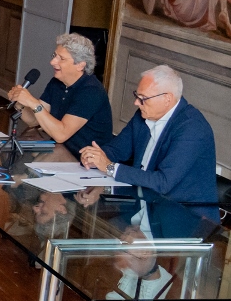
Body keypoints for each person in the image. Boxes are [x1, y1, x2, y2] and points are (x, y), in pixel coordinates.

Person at [79, 65, 219, 205]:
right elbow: (117, 149)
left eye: (143, 98)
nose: (136, 103)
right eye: (136, 96)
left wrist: (109, 167)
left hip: (181, 215)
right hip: (142, 201)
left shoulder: (192, 128)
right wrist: (95, 157)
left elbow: (163, 182)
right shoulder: (144, 114)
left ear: (167, 99)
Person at [5, 32, 113, 155]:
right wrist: (19, 103)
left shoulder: (91, 91)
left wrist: (32, 102)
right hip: (60, 154)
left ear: (80, 65)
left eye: (61, 58)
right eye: (54, 55)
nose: (52, 62)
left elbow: (61, 135)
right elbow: (35, 120)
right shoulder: (57, 82)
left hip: (85, 162)